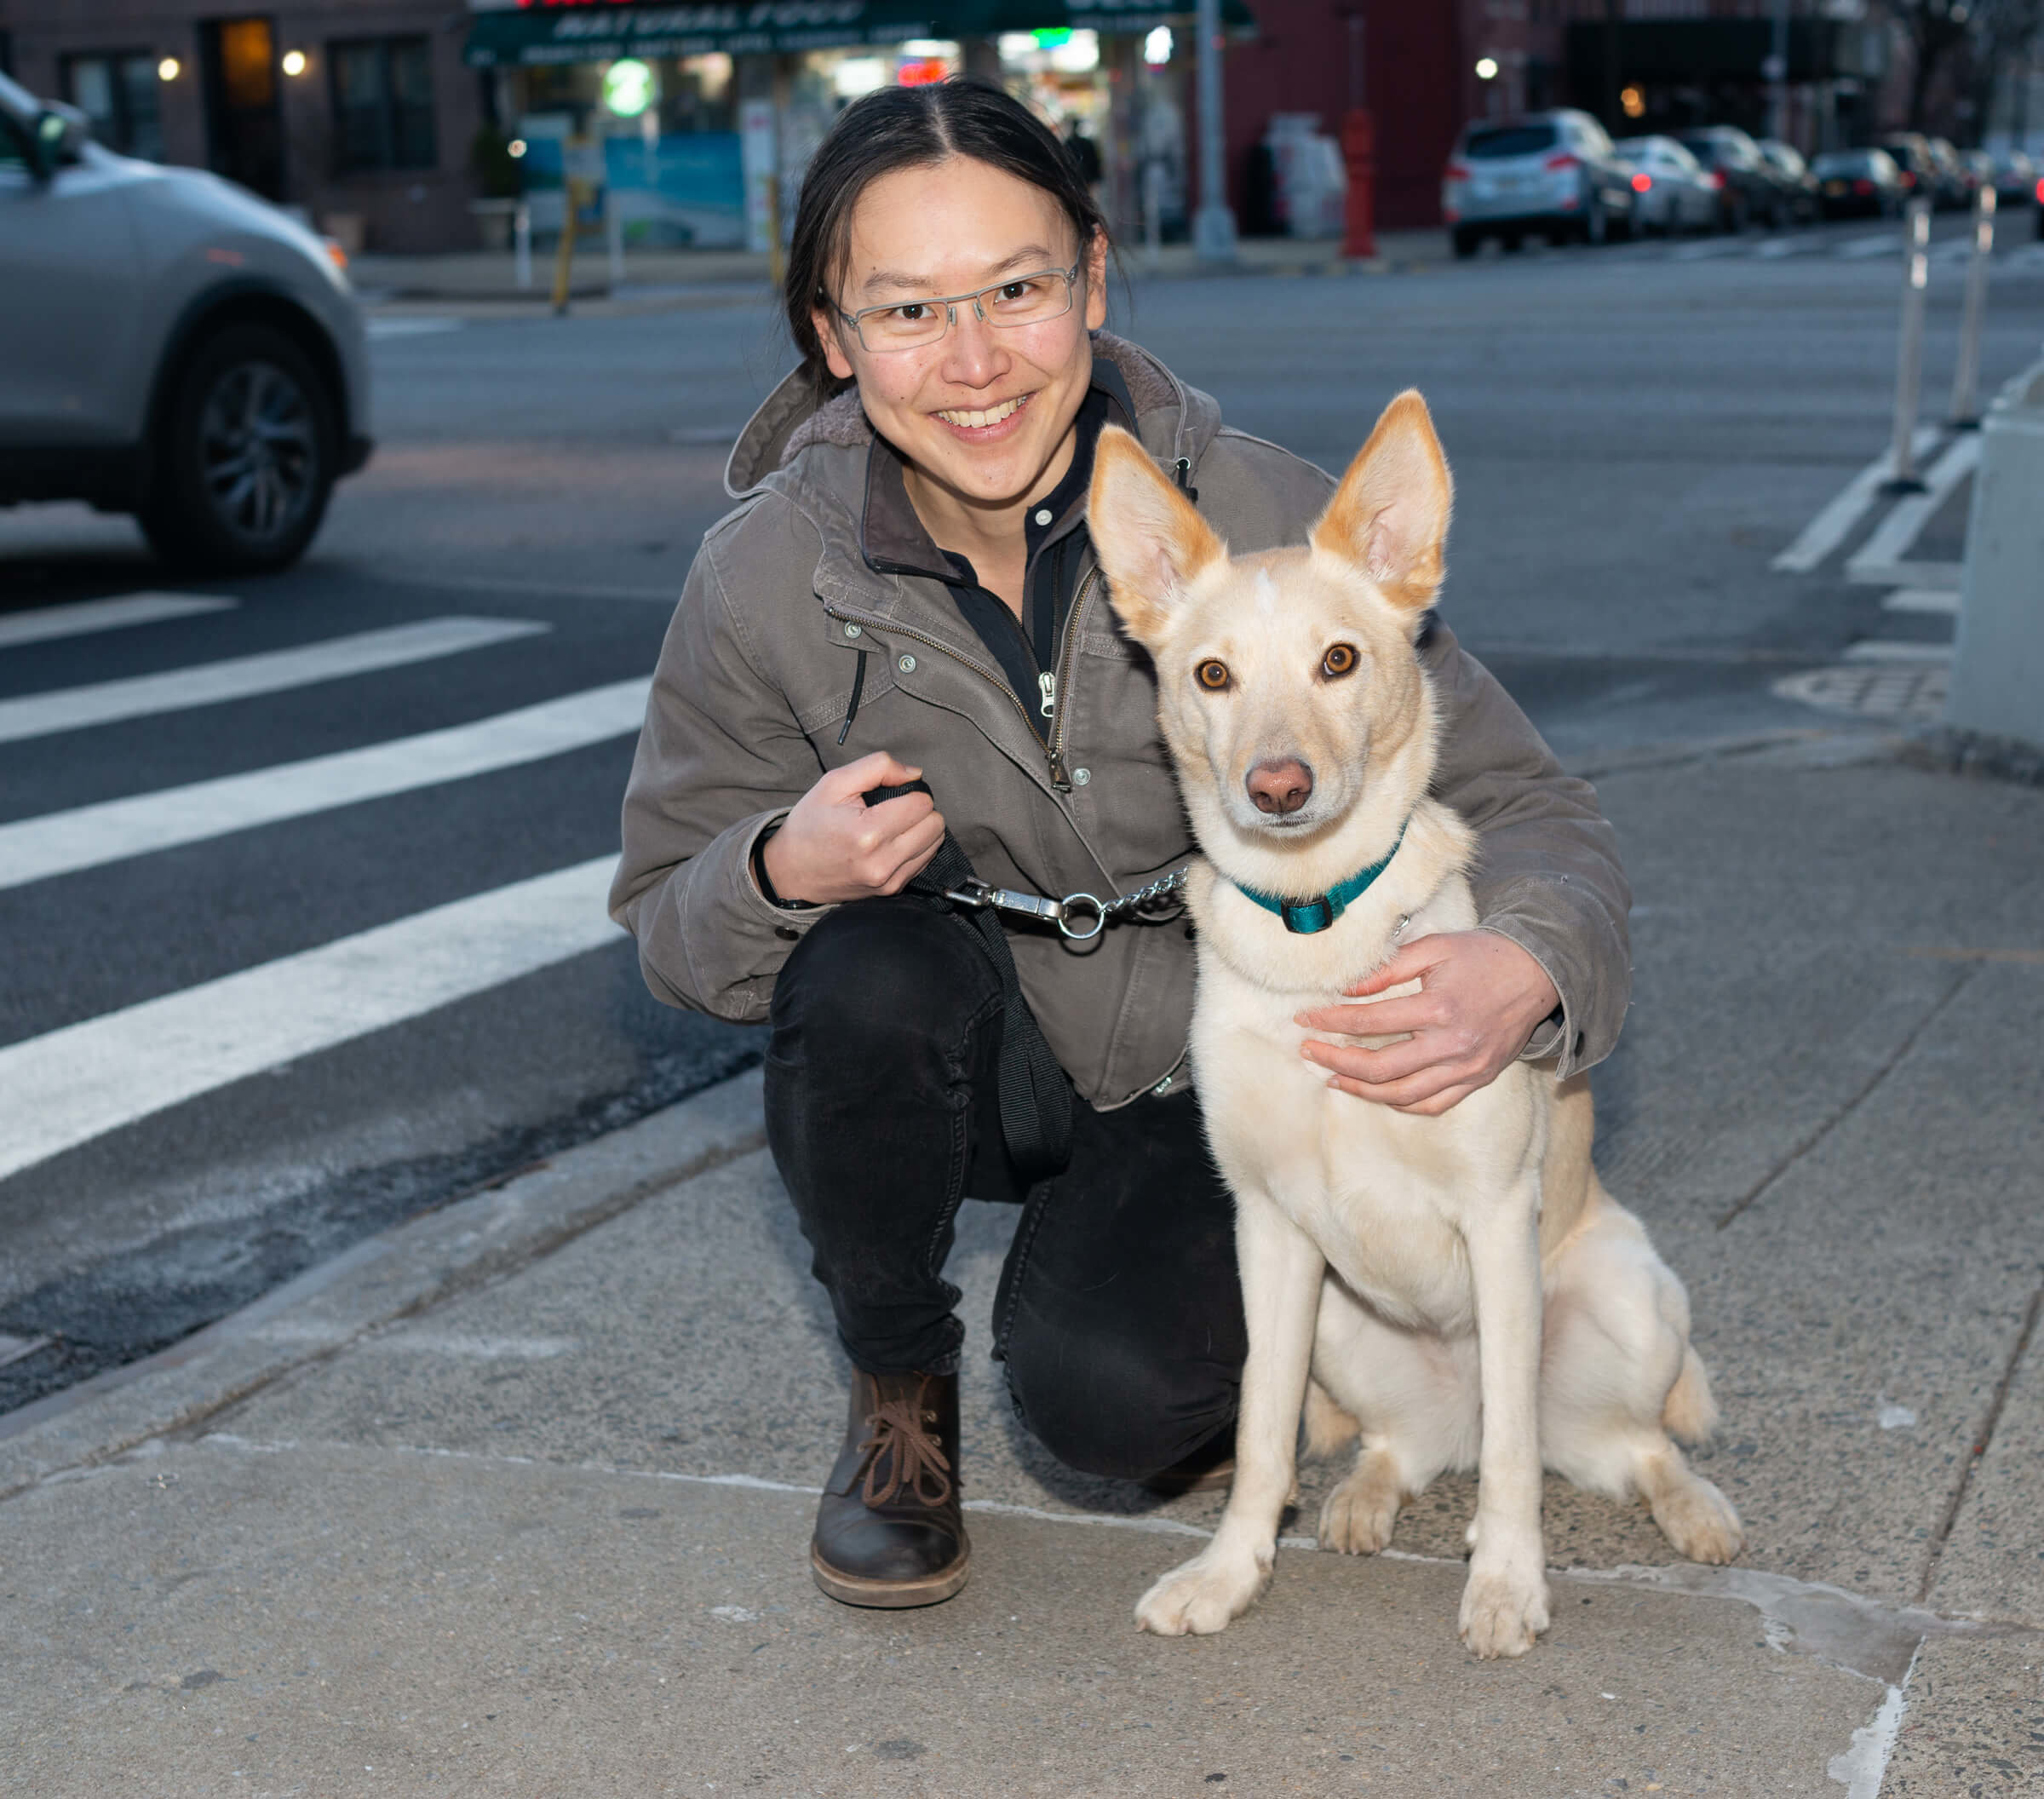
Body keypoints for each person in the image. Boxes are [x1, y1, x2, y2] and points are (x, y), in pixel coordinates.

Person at [611, 80, 1629, 1612]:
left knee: (1108, 1405)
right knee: (864, 975)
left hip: (1198, 1066)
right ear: (833, 336)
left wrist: (1527, 964)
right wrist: (772, 871)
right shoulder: (766, 576)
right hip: (961, 1046)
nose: (972, 363)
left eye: (1017, 291)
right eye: (906, 311)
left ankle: (1165, 1328)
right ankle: (898, 1400)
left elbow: (1543, 810)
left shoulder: (1267, 510)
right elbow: (665, 920)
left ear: (1090, 276)